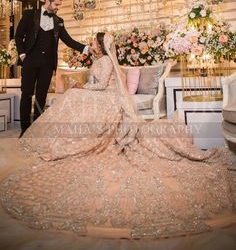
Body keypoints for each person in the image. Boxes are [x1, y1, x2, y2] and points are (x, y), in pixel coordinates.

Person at [1, 32, 236, 239]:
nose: (91, 44)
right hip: (108, 95)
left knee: (74, 98)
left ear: (101, 46)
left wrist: (82, 88)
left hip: (106, 96)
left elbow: (102, 85)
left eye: (94, 41)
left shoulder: (103, 61)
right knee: (74, 98)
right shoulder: (102, 59)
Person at [15, 0, 90, 138]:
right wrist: (23, 55)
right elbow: (18, 36)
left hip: (48, 64)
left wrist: (86, 48)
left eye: (59, 5)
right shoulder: (30, 15)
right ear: (47, 1)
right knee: (27, 94)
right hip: (30, 61)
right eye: (56, 4)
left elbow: (68, 40)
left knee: (41, 96)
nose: (58, 7)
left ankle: (35, 129)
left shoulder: (59, 21)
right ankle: (24, 129)